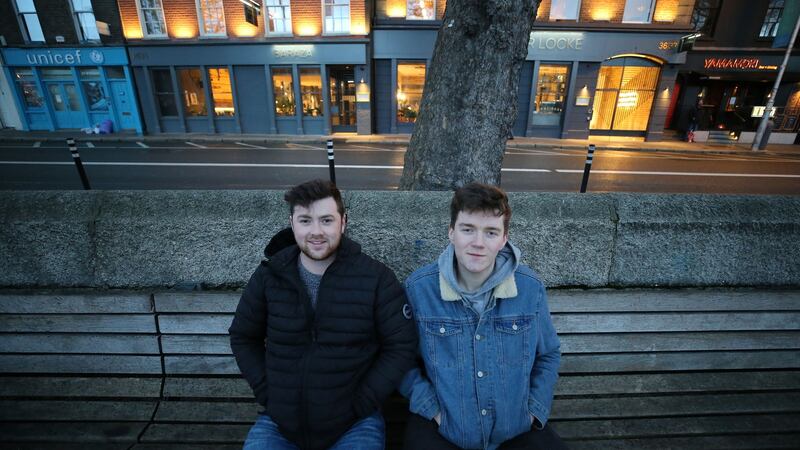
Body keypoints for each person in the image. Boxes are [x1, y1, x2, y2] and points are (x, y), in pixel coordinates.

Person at [229, 179, 418, 450]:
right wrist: (269, 393)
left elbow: (401, 345)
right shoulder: (269, 276)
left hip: (354, 423)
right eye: (305, 221)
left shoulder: (376, 278)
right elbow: (243, 336)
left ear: (343, 222)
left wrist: (363, 401)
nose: (316, 231)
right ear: (292, 222)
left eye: (326, 220)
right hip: (280, 424)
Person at [399, 182, 567, 450]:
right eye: (468, 229)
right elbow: (400, 359)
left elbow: (548, 353)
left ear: (503, 238)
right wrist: (431, 409)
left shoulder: (529, 288)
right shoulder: (419, 289)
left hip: (516, 431)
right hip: (445, 431)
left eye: (490, 232)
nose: (478, 243)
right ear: (451, 232)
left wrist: (534, 410)